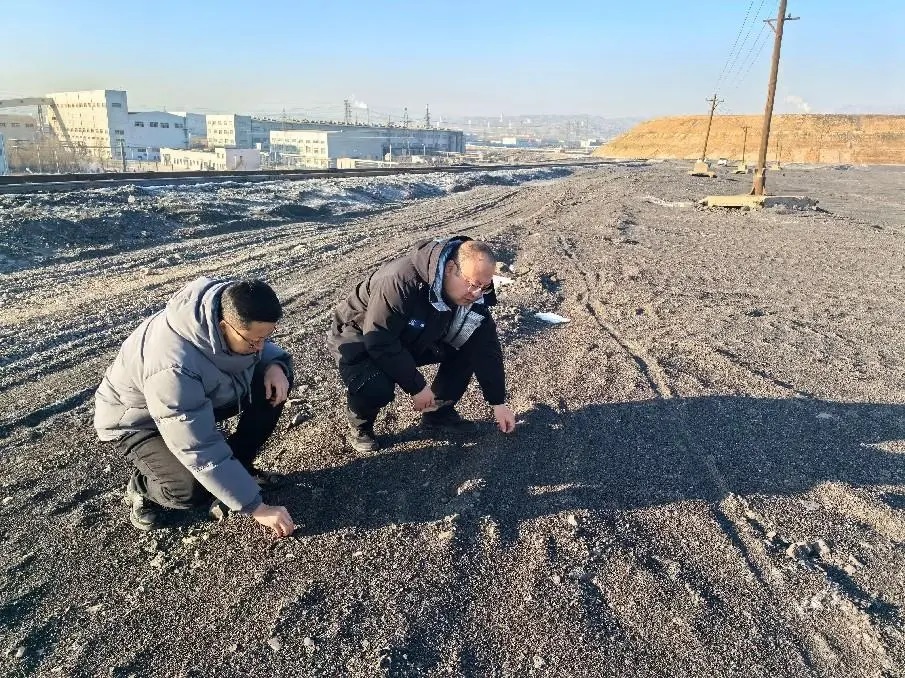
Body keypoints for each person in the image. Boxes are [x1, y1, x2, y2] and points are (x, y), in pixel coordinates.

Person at [94, 277, 296, 537]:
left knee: (273, 386)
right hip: (139, 420)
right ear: (223, 327)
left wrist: (274, 364)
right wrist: (255, 506)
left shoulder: (228, 309)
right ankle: (142, 487)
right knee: (190, 489)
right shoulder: (173, 366)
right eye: (254, 342)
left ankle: (239, 470)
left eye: (266, 338)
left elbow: (258, 345)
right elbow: (198, 446)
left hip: (193, 399)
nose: (260, 347)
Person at [328, 236, 516, 452]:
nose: (476, 294)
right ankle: (361, 425)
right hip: (361, 334)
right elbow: (379, 339)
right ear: (450, 268)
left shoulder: (472, 297)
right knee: (376, 386)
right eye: (473, 284)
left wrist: (498, 403)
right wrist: (417, 387)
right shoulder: (401, 282)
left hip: (414, 333)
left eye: (484, 287)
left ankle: (438, 413)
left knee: (467, 343)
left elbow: (486, 347)